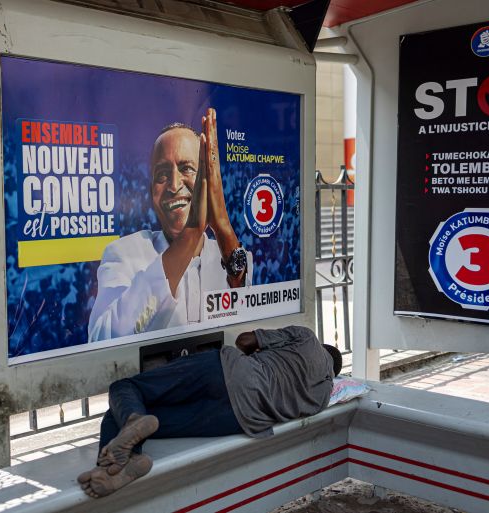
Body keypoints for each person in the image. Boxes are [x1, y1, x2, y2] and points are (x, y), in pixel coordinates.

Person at [78, 326, 341, 498]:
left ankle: (131, 428)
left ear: (324, 347)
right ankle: (124, 461)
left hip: (225, 371)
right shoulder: (323, 397)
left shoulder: (307, 339)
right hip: (238, 417)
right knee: (128, 414)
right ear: (334, 374)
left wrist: (258, 351)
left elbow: (244, 340)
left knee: (125, 391)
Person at [89, 108, 251, 341]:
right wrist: (191, 234)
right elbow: (102, 339)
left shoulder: (228, 252)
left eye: (187, 168)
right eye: (162, 175)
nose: (174, 185)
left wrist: (222, 223)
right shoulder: (123, 254)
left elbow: (248, 320)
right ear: (151, 191)